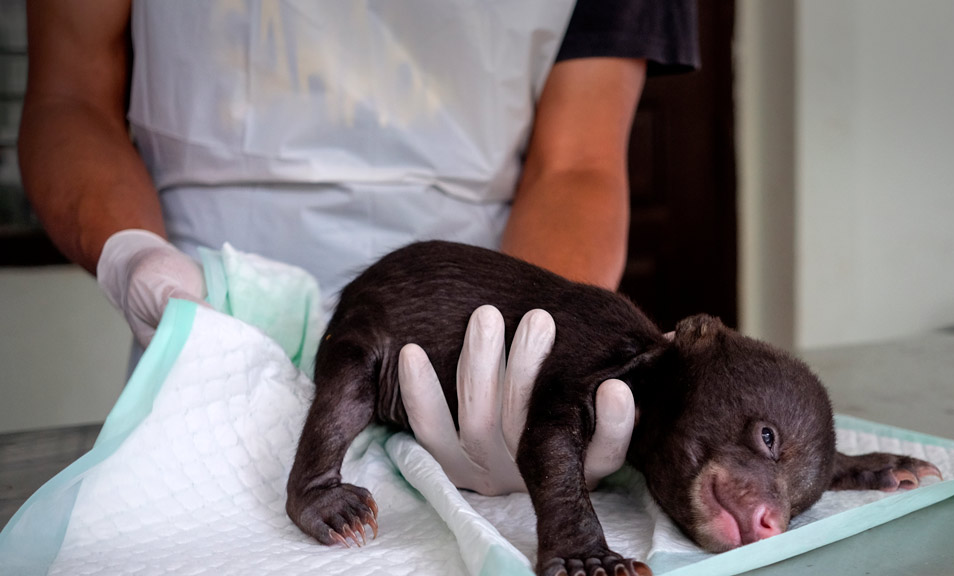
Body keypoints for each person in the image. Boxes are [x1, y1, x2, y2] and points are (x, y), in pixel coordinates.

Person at [19, 0, 699, 494]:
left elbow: (576, 163)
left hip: (463, 354)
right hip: (205, 331)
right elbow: (69, 94)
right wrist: (132, 255)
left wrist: (523, 373)